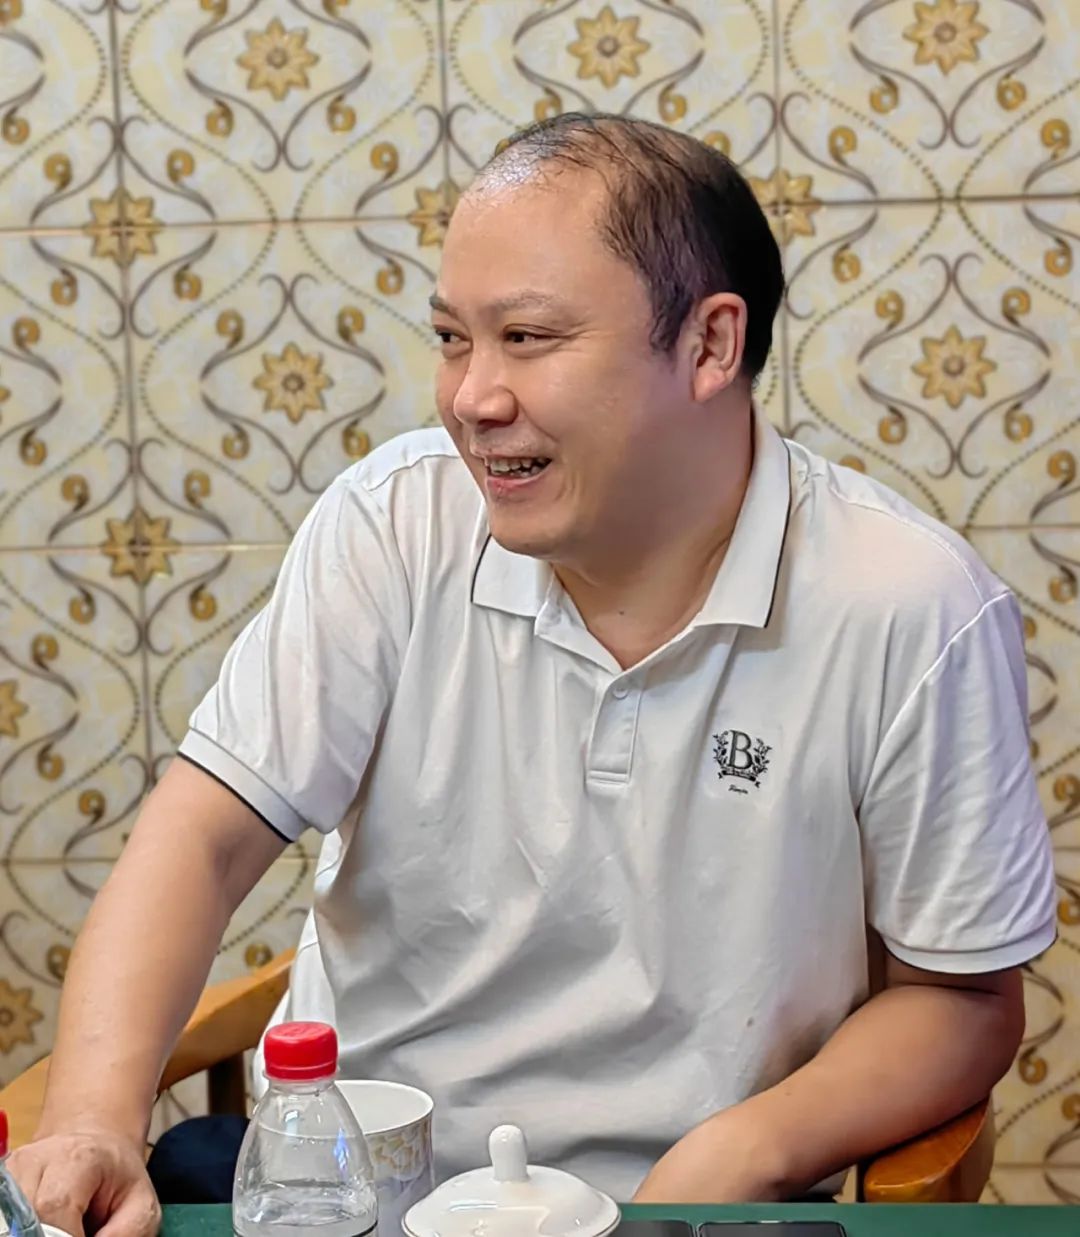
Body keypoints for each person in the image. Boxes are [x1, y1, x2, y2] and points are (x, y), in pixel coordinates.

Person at [10, 113, 1055, 1236]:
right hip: (367, 1194)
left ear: (709, 345)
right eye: (453, 338)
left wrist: (740, 1153)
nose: (473, 397)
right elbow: (203, 838)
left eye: (528, 337)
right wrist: (94, 1118)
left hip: (686, 1210)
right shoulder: (396, 525)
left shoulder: (907, 603)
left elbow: (959, 1000)